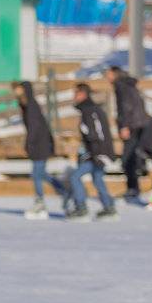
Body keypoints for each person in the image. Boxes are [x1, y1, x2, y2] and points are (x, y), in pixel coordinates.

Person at [65, 82, 117, 221]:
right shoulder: (88, 110)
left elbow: (97, 134)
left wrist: (96, 153)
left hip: (98, 153)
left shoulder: (90, 111)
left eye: (76, 93)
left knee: (75, 177)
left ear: (82, 94)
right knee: (97, 179)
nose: (74, 96)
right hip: (97, 152)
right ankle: (109, 208)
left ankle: (81, 209)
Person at [105, 65, 151, 203]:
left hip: (132, 125)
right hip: (140, 124)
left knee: (127, 159)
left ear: (115, 74)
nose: (107, 77)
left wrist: (124, 125)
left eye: (108, 74)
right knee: (132, 155)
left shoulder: (120, 85)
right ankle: (140, 167)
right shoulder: (128, 83)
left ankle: (133, 188)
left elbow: (125, 106)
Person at [12, 81, 56, 219]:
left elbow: (34, 127)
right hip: (39, 143)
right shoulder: (26, 105)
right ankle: (65, 191)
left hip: (40, 144)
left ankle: (40, 203)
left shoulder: (31, 105)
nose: (15, 92)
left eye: (18, 90)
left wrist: (29, 143)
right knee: (41, 174)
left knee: (37, 174)